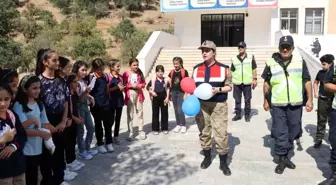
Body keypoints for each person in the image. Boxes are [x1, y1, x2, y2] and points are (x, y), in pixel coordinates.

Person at [262, 35, 313, 174]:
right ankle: (282, 159)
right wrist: (265, 100)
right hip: (277, 104)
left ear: (292, 48)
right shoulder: (271, 62)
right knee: (280, 131)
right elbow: (266, 82)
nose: (285, 49)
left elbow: (307, 80)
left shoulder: (300, 61)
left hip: (296, 104)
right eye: (282, 47)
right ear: (279, 48)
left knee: (294, 130)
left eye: (288, 47)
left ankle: (287, 153)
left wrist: (310, 100)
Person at [192, 40, 232, 176]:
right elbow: (192, 86)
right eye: (202, 50)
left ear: (214, 52)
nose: (204, 52)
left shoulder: (224, 68)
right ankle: (207, 157)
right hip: (201, 105)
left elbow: (229, 87)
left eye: (207, 50)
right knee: (204, 131)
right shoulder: (196, 68)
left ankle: (223, 163)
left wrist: (218, 89)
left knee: (220, 133)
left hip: (218, 105)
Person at [35, 48, 70, 185]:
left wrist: (63, 120)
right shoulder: (38, 81)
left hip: (60, 121)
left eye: (58, 60)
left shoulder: (61, 80)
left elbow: (66, 100)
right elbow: (36, 106)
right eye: (54, 60)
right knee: (46, 156)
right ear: (45, 62)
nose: (57, 63)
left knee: (59, 153)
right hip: (45, 122)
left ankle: (59, 179)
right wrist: (46, 125)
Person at [13, 74, 56, 185]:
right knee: (29, 177)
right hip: (26, 149)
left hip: (39, 148)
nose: (38, 91)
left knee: (37, 174)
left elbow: (45, 123)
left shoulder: (39, 104)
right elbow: (22, 129)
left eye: (39, 87)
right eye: (34, 88)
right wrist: (40, 132)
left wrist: (53, 130)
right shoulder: (19, 105)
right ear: (24, 88)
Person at [0, 82, 27, 185]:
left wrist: (13, 146)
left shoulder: (12, 115)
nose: (3, 103)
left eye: (6, 99)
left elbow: (22, 135)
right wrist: (3, 140)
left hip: (17, 167)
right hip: (2, 172)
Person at [72, 61, 97, 158]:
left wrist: (90, 97)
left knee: (91, 127)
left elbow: (85, 94)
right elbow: (78, 99)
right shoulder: (75, 82)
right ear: (76, 70)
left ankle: (87, 148)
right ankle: (82, 151)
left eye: (85, 70)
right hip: (79, 108)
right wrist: (85, 92)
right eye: (82, 70)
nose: (84, 72)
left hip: (86, 107)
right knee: (81, 130)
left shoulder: (84, 81)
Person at [89, 58, 114, 153]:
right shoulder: (91, 77)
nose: (100, 71)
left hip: (106, 104)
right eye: (98, 69)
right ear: (94, 69)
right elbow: (88, 91)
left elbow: (107, 89)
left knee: (108, 124)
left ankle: (109, 142)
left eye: (101, 68)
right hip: (96, 106)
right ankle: (100, 143)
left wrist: (109, 100)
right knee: (98, 125)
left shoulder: (106, 76)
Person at [318, 54, 336, 185]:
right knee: (334, 140)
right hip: (333, 108)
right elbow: (326, 84)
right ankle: (334, 175)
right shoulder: (332, 70)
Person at [231, 41, 257, 122]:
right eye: (239, 47)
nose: (240, 48)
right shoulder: (234, 59)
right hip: (237, 82)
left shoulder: (250, 57)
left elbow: (254, 68)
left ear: (245, 48)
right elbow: (232, 70)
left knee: (247, 100)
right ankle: (238, 114)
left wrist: (255, 79)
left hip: (247, 82)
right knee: (237, 100)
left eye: (242, 47)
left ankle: (247, 115)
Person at [123, 58, 146, 141]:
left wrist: (141, 85)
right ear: (130, 65)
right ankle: (130, 131)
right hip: (130, 93)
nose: (136, 66)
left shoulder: (140, 73)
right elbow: (124, 84)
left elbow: (144, 83)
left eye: (137, 65)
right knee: (130, 113)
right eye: (134, 65)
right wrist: (131, 86)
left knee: (140, 112)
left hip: (139, 93)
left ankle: (141, 130)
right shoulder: (126, 74)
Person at [313, 54, 334, 148]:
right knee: (321, 120)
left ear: (330, 64)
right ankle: (319, 139)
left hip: (332, 100)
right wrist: (315, 92)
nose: (322, 66)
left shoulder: (334, 74)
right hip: (322, 99)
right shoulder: (320, 73)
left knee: (332, 121)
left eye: (324, 64)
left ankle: (332, 138)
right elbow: (315, 82)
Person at [147, 65, 170, 135]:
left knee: (164, 113)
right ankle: (155, 129)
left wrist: (167, 97)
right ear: (156, 72)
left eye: (161, 71)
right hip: (155, 98)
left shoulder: (165, 80)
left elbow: (168, 88)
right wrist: (152, 92)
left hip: (164, 98)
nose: (160, 73)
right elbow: (147, 87)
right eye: (158, 71)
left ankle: (164, 128)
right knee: (155, 113)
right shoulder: (153, 80)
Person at [169, 57, 189, 133]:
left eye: (177, 64)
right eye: (174, 64)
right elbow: (171, 82)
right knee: (175, 109)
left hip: (181, 92)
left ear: (181, 63)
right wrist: (170, 93)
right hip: (173, 92)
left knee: (180, 109)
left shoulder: (184, 72)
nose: (175, 65)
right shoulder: (172, 72)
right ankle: (178, 125)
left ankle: (183, 125)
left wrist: (186, 93)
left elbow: (187, 83)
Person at [108, 60, 124, 144]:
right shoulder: (108, 77)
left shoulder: (121, 77)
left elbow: (122, 87)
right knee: (110, 120)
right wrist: (116, 88)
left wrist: (122, 88)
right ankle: (108, 136)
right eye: (117, 66)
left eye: (119, 66)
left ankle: (116, 136)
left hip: (119, 100)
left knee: (118, 119)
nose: (119, 68)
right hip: (111, 101)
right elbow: (106, 90)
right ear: (112, 67)